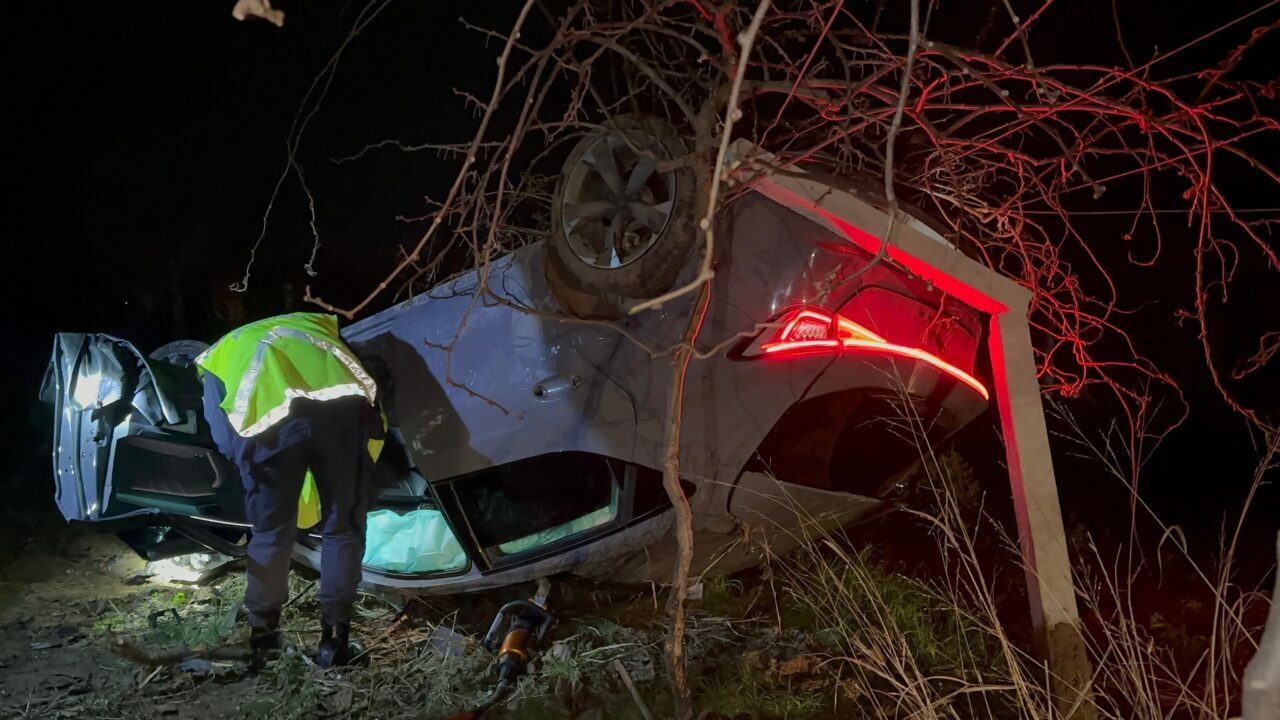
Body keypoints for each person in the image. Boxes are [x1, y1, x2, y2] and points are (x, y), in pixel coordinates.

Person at [196, 312, 383, 667]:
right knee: (343, 527)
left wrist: (249, 466)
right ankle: (334, 643)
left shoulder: (218, 356)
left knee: (270, 532)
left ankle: (264, 639)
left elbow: (223, 435)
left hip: (268, 434)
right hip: (342, 417)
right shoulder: (316, 326)